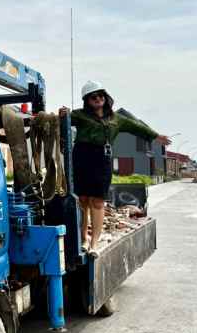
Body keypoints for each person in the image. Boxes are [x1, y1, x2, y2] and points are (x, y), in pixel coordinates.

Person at [59, 81, 170, 256]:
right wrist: (62, 114)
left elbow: (137, 127)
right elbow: (61, 121)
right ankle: (84, 239)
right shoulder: (79, 115)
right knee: (83, 200)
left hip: (102, 159)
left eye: (100, 95)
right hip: (81, 157)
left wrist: (156, 136)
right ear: (87, 100)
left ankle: (94, 243)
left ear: (105, 97)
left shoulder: (117, 119)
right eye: (93, 97)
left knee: (97, 201)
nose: (98, 99)